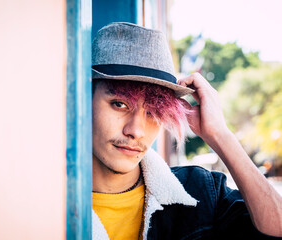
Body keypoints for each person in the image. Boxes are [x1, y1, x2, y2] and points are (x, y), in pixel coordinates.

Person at [91, 22, 282, 240]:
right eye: (119, 104)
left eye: (153, 113)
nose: (136, 131)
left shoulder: (201, 193)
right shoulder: (50, 202)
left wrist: (219, 135)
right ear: (84, 100)